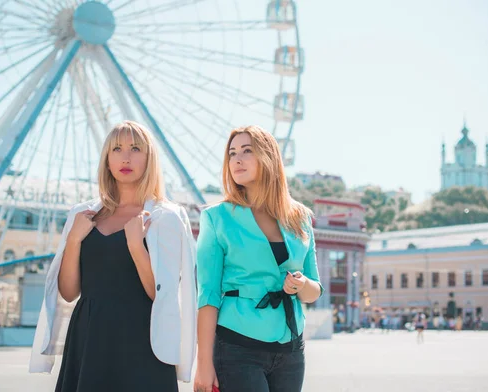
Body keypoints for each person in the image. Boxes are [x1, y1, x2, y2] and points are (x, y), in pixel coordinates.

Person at [29, 121, 197, 391]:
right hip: (89, 334)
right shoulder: (82, 214)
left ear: (150, 158)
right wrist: (73, 239)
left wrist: (135, 246)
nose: (126, 157)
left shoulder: (165, 216)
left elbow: (160, 294)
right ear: (107, 159)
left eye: (135, 149)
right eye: (117, 148)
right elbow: (69, 292)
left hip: (143, 338)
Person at [194, 126, 324, 392]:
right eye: (232, 154)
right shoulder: (216, 218)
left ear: (269, 158)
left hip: (291, 349)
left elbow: (314, 291)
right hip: (237, 346)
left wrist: (301, 284)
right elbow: (207, 295)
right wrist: (203, 363)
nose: (236, 160)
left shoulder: (300, 218)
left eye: (246, 151)